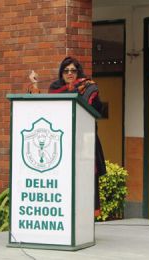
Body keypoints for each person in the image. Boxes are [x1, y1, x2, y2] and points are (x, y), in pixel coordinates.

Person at [49, 56, 106, 217]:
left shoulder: (87, 87)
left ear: (78, 72)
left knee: (85, 178)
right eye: (66, 71)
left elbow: (97, 110)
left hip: (84, 139)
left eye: (73, 70)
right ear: (61, 73)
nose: (69, 74)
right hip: (62, 141)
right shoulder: (55, 89)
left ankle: (84, 216)